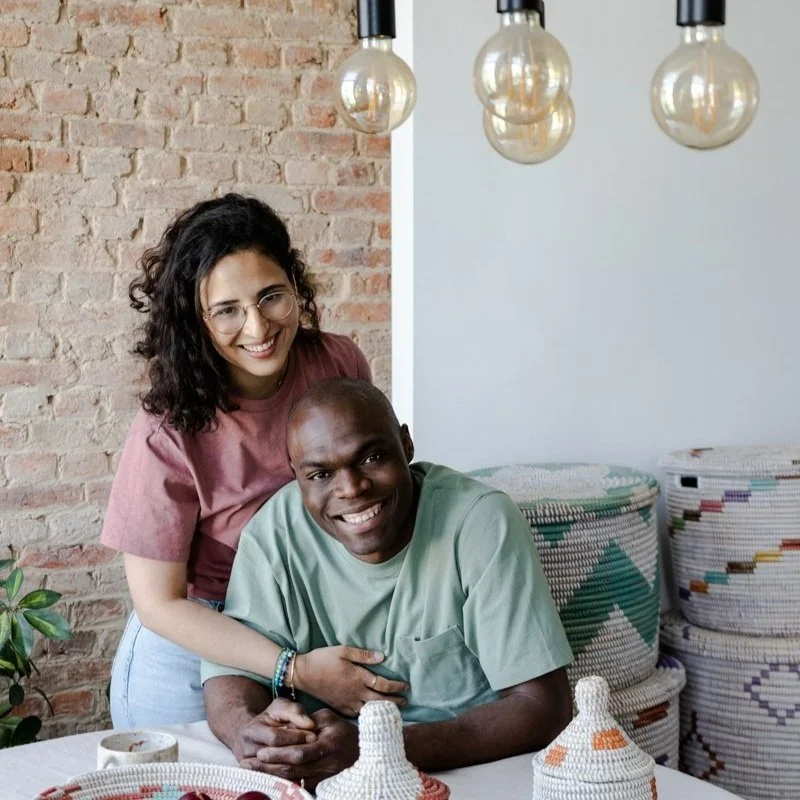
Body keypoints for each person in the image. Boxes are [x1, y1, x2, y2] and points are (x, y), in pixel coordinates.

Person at [101, 195, 407, 728]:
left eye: (271, 298)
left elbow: (366, 488)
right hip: (193, 647)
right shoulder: (166, 431)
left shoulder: (338, 363)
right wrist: (295, 670)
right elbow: (160, 605)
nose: (258, 328)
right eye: (227, 310)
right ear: (195, 319)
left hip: (307, 628)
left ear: (296, 285)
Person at [202, 378, 574, 784]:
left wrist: (373, 750)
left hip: (468, 775)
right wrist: (250, 733)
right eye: (321, 474)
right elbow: (230, 677)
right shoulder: (275, 533)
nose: (352, 489)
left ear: (406, 446)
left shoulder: (479, 522)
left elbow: (543, 708)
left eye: (371, 457)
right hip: (325, 778)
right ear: (297, 476)